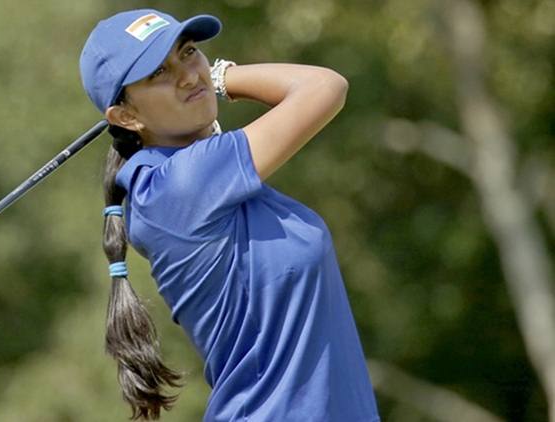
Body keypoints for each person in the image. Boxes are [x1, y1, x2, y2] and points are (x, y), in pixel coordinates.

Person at [79, 8, 380, 422]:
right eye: (158, 73)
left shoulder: (199, 183)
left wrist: (200, 80)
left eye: (188, 52)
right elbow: (324, 87)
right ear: (126, 116)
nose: (186, 74)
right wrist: (218, 79)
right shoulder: (177, 186)